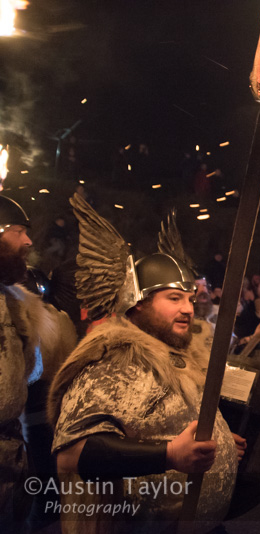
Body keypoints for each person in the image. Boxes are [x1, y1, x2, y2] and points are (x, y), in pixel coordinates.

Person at [48, 196, 244, 533]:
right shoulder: (114, 359)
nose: (188, 309)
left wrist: (219, 440)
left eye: (189, 299)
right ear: (137, 304)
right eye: (173, 298)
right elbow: (72, 454)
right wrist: (169, 455)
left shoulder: (176, 357)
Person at [0, 195, 77, 531]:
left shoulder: (17, 305)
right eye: (19, 231)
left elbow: (32, 370)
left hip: (10, 463)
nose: (29, 241)